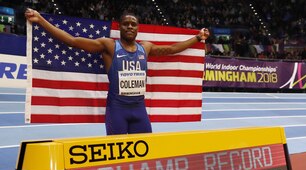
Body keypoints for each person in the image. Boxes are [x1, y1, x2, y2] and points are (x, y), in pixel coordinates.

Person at [25, 9, 210, 135]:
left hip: (139, 110)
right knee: (118, 154)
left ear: (138, 28)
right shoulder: (110, 46)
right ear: (119, 27)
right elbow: (73, 41)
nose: (130, 26)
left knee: (146, 150)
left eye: (133, 24)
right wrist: (41, 20)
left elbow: (171, 49)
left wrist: (197, 38)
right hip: (117, 110)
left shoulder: (145, 48)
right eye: (126, 24)